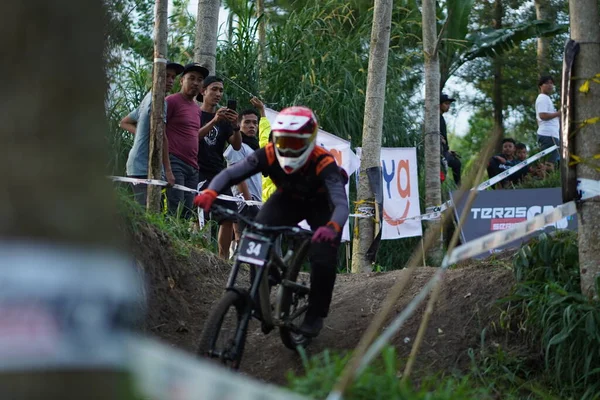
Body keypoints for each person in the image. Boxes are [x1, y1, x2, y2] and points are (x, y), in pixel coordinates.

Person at [193, 106, 349, 337]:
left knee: (323, 255)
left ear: (309, 141)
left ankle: (316, 314)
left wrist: (333, 226)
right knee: (256, 235)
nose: (287, 148)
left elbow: (340, 203)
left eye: (294, 142)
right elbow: (232, 173)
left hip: (321, 205)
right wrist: (211, 192)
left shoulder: (323, 161)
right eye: (282, 141)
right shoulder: (268, 152)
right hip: (287, 198)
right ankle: (260, 296)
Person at [119, 61, 184, 206]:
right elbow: (162, 137)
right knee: (148, 214)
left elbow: (124, 122)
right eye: (166, 76)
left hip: (138, 165)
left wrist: (143, 135)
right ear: (156, 76)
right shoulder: (158, 101)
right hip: (143, 166)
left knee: (149, 213)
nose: (170, 80)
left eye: (173, 77)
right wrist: (168, 170)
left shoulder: (147, 98)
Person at [197, 76, 242, 259]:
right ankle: (198, 253)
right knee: (197, 214)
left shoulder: (225, 120)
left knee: (229, 215)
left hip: (219, 172)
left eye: (221, 91)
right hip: (197, 170)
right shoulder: (195, 114)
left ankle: (222, 260)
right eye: (214, 89)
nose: (218, 94)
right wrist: (214, 120)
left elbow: (237, 145)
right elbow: (194, 137)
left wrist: (236, 127)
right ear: (203, 91)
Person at [164, 62, 209, 218]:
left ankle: (180, 240)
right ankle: (167, 240)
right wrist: (167, 167)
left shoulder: (197, 109)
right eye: (191, 78)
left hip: (192, 166)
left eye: (200, 79)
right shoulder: (171, 101)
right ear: (182, 80)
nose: (196, 83)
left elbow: (194, 135)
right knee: (175, 206)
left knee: (188, 211)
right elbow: (158, 130)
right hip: (175, 161)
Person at [223, 108, 262, 255]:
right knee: (243, 246)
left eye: (255, 123)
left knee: (253, 248)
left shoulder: (254, 148)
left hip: (255, 203)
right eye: (247, 122)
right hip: (244, 203)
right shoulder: (237, 147)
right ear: (239, 124)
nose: (252, 126)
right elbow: (238, 176)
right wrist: (248, 201)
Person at [535, 76, 560, 164]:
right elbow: (542, 115)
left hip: (550, 134)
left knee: (551, 161)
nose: (550, 85)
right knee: (549, 163)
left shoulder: (546, 98)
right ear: (540, 86)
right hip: (549, 135)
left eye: (551, 83)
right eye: (547, 83)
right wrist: (559, 113)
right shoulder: (542, 98)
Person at [439, 93, 462, 185]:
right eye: (446, 103)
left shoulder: (441, 118)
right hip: (438, 154)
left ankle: (459, 189)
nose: (448, 106)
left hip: (444, 152)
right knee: (441, 177)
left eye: (449, 104)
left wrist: (447, 150)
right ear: (439, 104)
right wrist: (438, 139)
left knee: (457, 163)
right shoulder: (435, 118)